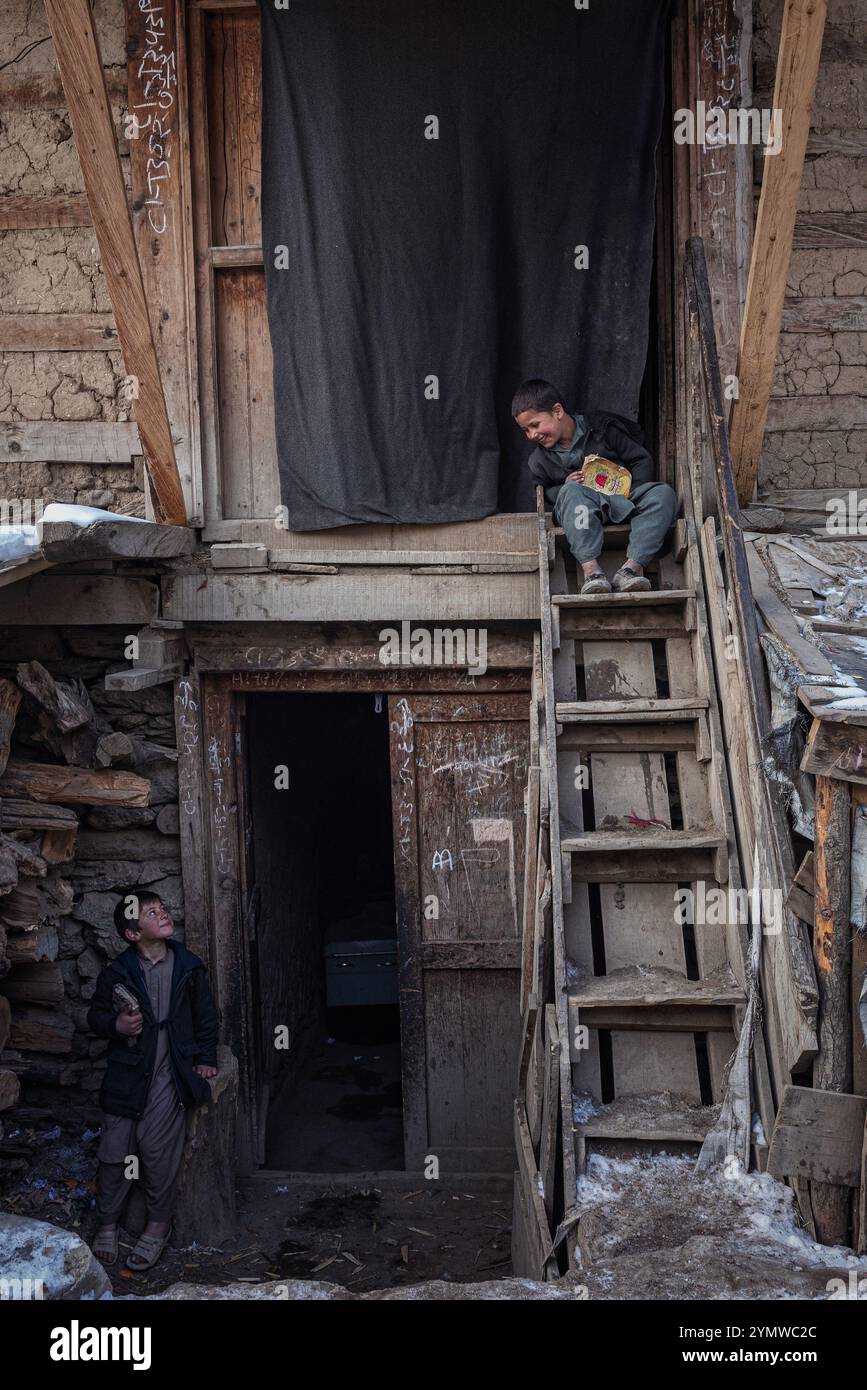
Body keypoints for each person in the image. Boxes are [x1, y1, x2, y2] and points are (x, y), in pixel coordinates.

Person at [87, 890, 218, 1272]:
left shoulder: (188, 967)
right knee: (115, 1152)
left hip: (168, 1072)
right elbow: (94, 1017)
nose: (163, 914)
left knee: (158, 1153)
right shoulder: (118, 973)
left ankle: (157, 1226)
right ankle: (108, 1223)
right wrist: (116, 1025)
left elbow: (206, 1016)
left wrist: (206, 1058)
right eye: (151, 913)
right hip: (127, 1075)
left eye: (163, 908)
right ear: (132, 934)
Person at [512, 379, 678, 594]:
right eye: (525, 430)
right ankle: (592, 573)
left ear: (557, 411)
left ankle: (631, 570)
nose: (532, 435)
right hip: (580, 512)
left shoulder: (602, 429)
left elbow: (641, 459)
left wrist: (631, 490)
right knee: (571, 491)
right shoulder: (539, 460)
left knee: (663, 493)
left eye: (535, 425)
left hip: (623, 500)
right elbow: (541, 493)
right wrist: (564, 486)